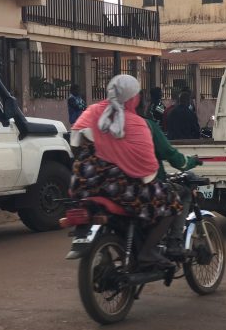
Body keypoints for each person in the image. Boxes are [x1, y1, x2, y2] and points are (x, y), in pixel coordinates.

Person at [69, 75, 190, 269]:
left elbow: (74, 144)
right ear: (134, 98)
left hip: (83, 184)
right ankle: (147, 252)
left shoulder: (91, 112)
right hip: (118, 188)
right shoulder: (138, 123)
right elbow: (148, 169)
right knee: (172, 200)